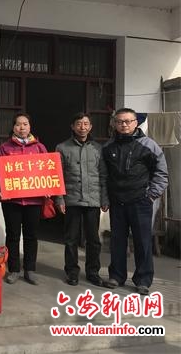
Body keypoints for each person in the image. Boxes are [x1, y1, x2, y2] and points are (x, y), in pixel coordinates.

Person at [102, 108, 168, 295]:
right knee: (117, 241)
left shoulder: (149, 145)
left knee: (142, 242)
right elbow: (104, 175)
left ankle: (143, 280)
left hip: (141, 202)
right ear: (114, 123)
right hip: (117, 202)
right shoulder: (108, 147)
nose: (124, 125)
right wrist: (106, 198)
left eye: (128, 121)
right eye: (120, 121)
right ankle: (116, 276)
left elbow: (161, 173)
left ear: (136, 123)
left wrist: (151, 195)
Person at [55, 113, 109, 287]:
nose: (82, 127)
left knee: (93, 239)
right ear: (73, 126)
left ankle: (93, 272)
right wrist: (59, 199)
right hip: (71, 200)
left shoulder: (98, 148)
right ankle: (72, 272)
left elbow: (103, 175)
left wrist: (104, 198)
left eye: (86, 124)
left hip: (93, 200)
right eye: (79, 124)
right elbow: (57, 176)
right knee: (71, 238)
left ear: (90, 127)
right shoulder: (62, 147)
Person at [0, 113, 47, 285]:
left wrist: (48, 188)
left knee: (31, 235)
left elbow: (47, 171)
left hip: (33, 200)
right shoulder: (4, 148)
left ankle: (30, 269)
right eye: (18, 124)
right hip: (12, 201)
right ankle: (14, 269)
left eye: (25, 124)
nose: (22, 127)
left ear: (30, 127)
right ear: (13, 127)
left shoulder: (39, 148)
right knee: (13, 235)